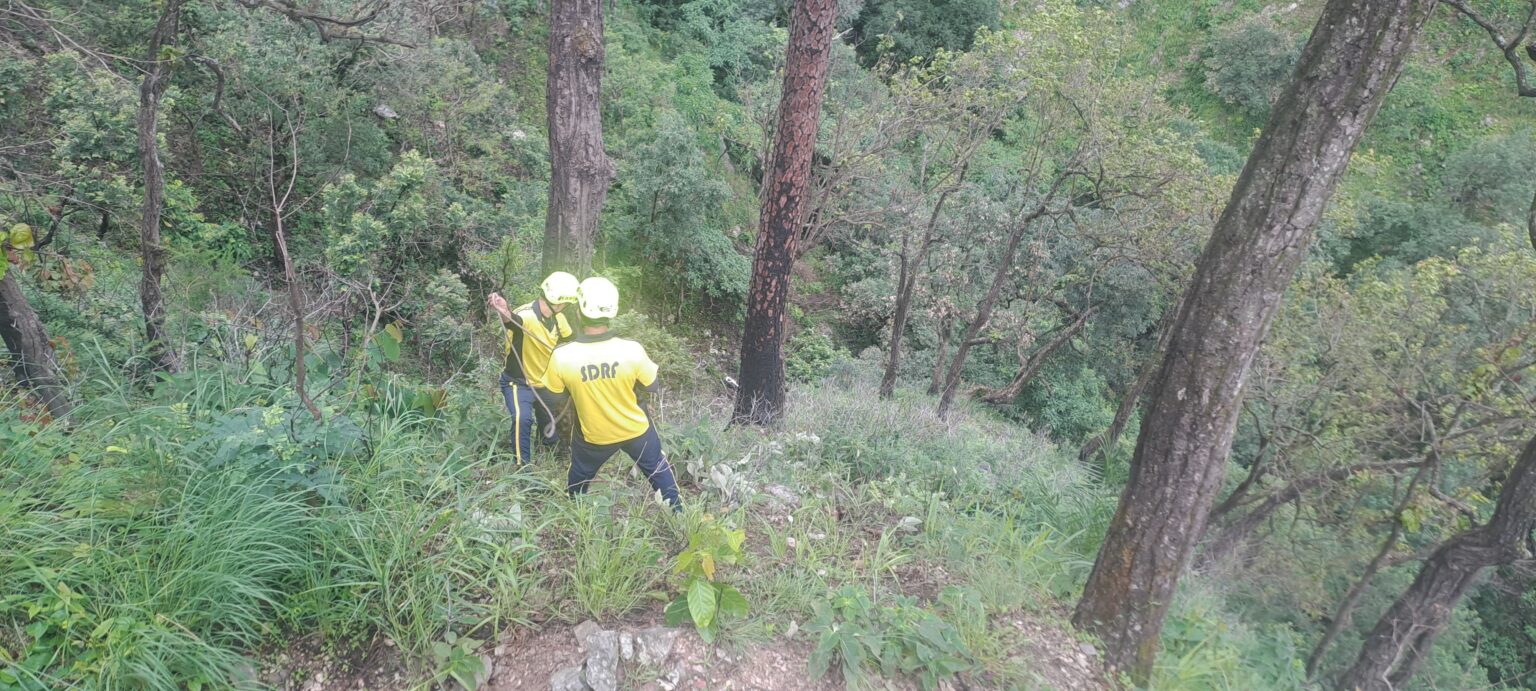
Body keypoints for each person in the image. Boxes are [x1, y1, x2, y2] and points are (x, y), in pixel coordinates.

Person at [541, 277, 682, 510]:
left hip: (594, 436)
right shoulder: (631, 350)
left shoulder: (562, 356)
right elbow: (652, 386)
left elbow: (553, 395)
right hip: (636, 430)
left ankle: (577, 513)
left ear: (578, 312)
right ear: (612, 312)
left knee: (579, 475)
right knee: (658, 469)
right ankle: (679, 514)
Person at [487, 271, 578, 464]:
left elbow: (571, 344)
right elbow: (511, 320)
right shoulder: (526, 315)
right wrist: (502, 309)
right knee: (522, 419)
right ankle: (522, 467)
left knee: (562, 413)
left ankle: (554, 451)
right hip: (518, 383)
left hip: (544, 384)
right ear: (560, 301)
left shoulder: (559, 320)